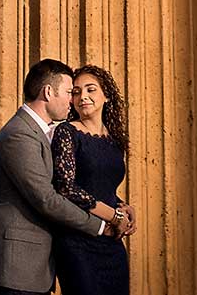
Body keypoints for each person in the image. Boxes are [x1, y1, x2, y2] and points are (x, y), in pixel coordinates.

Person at [0, 59, 129, 295]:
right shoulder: (20, 134)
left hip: (35, 266)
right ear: (48, 91)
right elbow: (47, 198)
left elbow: (89, 181)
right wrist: (103, 225)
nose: (73, 99)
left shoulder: (42, 131)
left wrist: (121, 207)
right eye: (70, 92)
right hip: (14, 266)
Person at [51, 64, 137, 295]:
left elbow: (102, 185)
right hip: (77, 240)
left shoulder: (114, 139)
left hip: (111, 240)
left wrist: (124, 207)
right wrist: (114, 215)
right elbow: (66, 188)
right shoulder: (66, 132)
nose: (83, 97)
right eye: (76, 92)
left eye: (91, 90)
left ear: (106, 95)